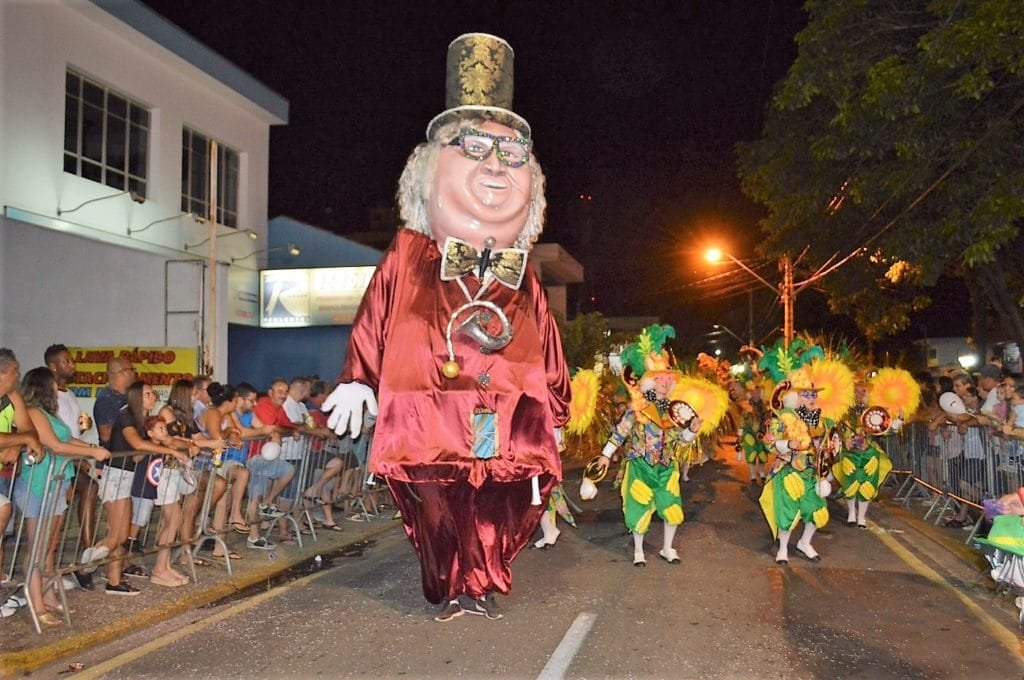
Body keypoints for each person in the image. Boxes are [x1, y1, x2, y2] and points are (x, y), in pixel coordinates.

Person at [323, 34, 570, 622]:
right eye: (475, 147)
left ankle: (481, 582)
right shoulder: (409, 251)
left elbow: (549, 344)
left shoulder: (524, 272)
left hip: (503, 416)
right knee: (437, 506)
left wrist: (556, 411)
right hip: (426, 414)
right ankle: (450, 583)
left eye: (512, 153)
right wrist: (358, 377)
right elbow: (377, 310)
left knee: (493, 502)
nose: (495, 165)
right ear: (428, 171)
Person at [589, 326, 701, 566]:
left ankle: (667, 548)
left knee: (672, 508)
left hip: (666, 467)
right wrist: (606, 455)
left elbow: (681, 441)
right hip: (640, 466)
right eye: (660, 379)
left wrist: (691, 430)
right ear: (650, 382)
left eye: (668, 379)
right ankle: (639, 551)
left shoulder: (674, 410)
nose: (665, 382)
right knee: (637, 507)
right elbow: (620, 432)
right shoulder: (637, 408)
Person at [16, 367, 110, 624]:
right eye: (53, 384)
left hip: (56, 482)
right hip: (38, 484)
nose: (57, 388)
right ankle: (37, 605)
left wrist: (91, 447)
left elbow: (68, 438)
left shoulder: (49, 414)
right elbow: (55, 445)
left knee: (50, 546)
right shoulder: (34, 413)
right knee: (37, 548)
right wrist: (91, 452)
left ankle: (48, 596)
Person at [96, 381, 182, 596]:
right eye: (148, 394)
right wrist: (171, 451)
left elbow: (137, 455)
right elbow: (137, 445)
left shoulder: (142, 421)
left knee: (122, 534)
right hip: (115, 477)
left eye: (153, 393)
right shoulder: (126, 417)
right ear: (136, 397)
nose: (154, 397)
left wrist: (167, 445)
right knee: (117, 533)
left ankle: (112, 577)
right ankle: (90, 567)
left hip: (126, 477)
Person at [44, 344, 98, 590]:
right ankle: (48, 572)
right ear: (53, 366)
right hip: (56, 461)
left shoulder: (71, 394)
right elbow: (54, 435)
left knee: (90, 489)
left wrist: (84, 434)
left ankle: (88, 553)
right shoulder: (48, 396)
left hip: (72, 459)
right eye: (66, 361)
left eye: (71, 360)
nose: (72, 365)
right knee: (55, 517)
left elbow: (71, 432)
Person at [0, 350, 45, 618]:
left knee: (3, 526)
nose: (18, 375)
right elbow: (27, 437)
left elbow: (30, 431)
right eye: (15, 371)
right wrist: (21, 440)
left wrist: (17, 444)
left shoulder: (13, 397)